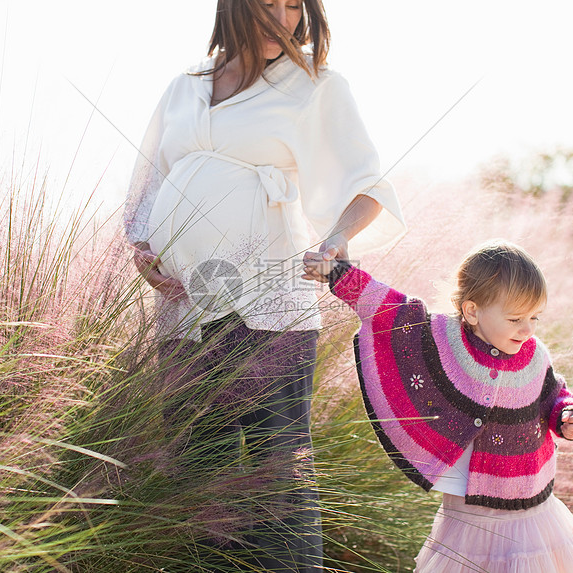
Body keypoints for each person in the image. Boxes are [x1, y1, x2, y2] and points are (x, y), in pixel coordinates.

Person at [123, 0, 406, 570]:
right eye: (268, 2)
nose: (284, 17)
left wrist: (333, 242)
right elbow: (148, 181)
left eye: (294, 5)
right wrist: (142, 250)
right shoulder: (186, 86)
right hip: (185, 311)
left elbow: (369, 184)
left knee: (278, 477)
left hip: (269, 309)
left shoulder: (316, 87)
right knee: (202, 479)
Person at [302, 240, 573, 572]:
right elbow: (386, 308)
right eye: (516, 317)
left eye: (535, 317)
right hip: (467, 509)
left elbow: (554, 394)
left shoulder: (534, 355)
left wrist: (569, 414)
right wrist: (339, 273)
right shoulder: (444, 340)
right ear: (473, 311)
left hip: (528, 505)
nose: (528, 328)